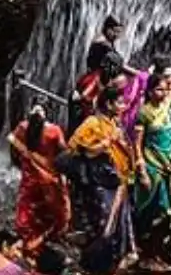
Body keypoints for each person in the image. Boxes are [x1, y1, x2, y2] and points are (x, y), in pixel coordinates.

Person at [68, 86, 136, 275]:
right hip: (100, 181)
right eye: (120, 102)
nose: (124, 106)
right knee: (103, 223)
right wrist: (105, 144)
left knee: (118, 225)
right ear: (109, 103)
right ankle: (94, 264)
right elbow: (78, 148)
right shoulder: (92, 122)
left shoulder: (116, 123)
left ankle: (112, 263)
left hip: (118, 180)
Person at [133, 68, 171, 269]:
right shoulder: (144, 113)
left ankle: (157, 254)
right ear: (149, 92)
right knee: (156, 212)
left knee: (170, 211)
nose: (162, 93)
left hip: (169, 165)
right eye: (158, 90)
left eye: (164, 90)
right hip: (153, 167)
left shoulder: (165, 105)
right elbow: (137, 144)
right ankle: (148, 256)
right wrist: (142, 171)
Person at [8, 104, 71, 253]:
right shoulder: (54, 131)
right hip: (48, 176)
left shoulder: (23, 126)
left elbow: (12, 139)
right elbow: (64, 151)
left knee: (29, 204)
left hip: (30, 176)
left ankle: (28, 238)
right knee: (53, 207)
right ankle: (50, 236)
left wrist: (24, 156)